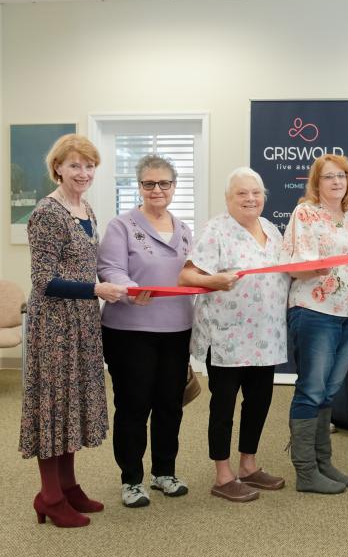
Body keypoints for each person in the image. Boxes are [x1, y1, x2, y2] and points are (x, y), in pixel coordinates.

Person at [20, 134, 128, 528]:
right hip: (54, 325)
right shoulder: (47, 213)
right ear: (58, 168)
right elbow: (44, 281)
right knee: (53, 407)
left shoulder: (86, 209)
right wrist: (98, 290)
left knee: (71, 406)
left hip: (82, 321)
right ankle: (48, 495)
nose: (84, 173)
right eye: (75, 165)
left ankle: (68, 487)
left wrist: (126, 287)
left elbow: (89, 267)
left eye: (89, 166)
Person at [179, 167, 289, 503]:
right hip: (227, 336)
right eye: (242, 193)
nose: (250, 199)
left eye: (255, 193)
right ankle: (222, 474)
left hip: (266, 335)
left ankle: (249, 466)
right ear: (229, 199)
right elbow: (186, 276)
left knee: (259, 403)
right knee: (224, 405)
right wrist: (215, 281)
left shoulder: (271, 230)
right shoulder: (216, 230)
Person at [97, 154, 193, 508]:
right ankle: (131, 479)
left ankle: (163, 472)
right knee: (134, 405)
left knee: (171, 404)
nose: (157, 190)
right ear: (139, 187)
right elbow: (110, 269)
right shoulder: (121, 225)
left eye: (164, 183)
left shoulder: (183, 228)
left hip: (176, 328)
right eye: (149, 183)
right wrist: (129, 289)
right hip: (130, 329)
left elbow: (193, 271)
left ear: (173, 187)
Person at [281, 154, 348, 494]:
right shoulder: (305, 213)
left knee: (329, 391)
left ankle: (323, 462)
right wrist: (317, 267)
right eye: (328, 177)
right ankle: (305, 472)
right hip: (315, 310)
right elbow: (292, 266)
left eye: (342, 176)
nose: (336, 182)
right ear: (316, 183)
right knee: (311, 389)